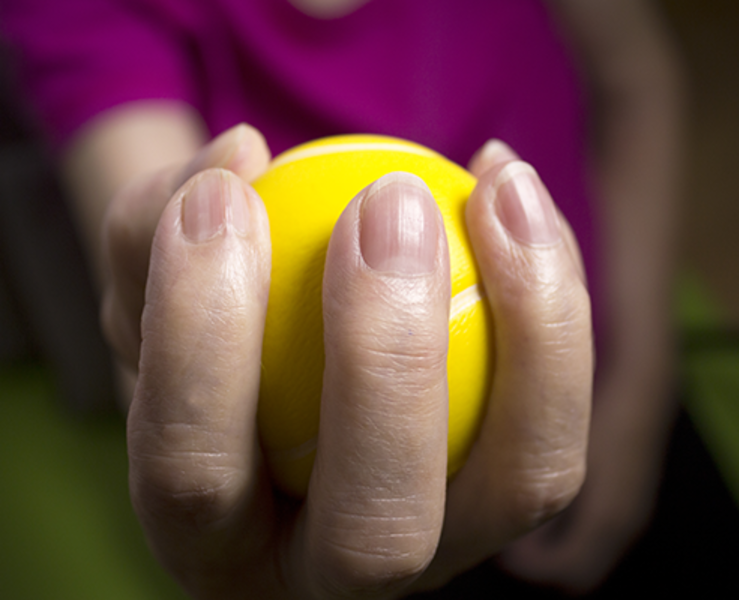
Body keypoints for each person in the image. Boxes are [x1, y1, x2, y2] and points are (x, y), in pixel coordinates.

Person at [0, 0, 682, 596]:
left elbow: (639, 85)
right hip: (332, 496)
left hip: (614, 378)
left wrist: (642, 378)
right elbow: (165, 334)